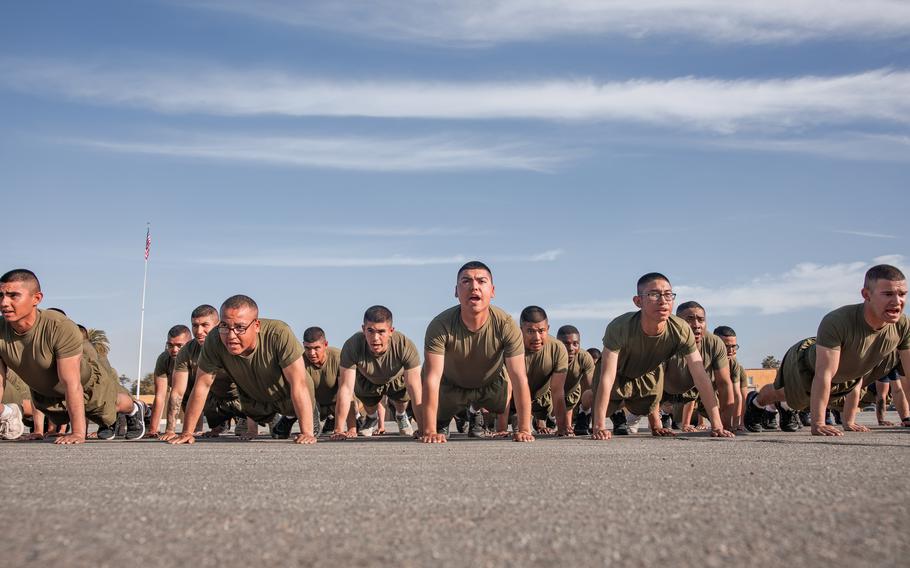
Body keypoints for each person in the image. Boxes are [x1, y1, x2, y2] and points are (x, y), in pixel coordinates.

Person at [746, 264, 910, 435]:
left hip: (843, 378)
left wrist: (849, 421)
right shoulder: (838, 321)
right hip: (806, 367)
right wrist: (818, 423)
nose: (897, 301)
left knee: (800, 400)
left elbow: (900, 376)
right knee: (781, 394)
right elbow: (824, 373)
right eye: (888, 294)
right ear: (866, 295)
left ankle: (785, 407)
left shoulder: (903, 326)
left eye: (902, 294)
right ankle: (755, 402)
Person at [0, 269, 145, 443]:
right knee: (64, 415)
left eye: (13, 295)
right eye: (1, 295)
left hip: (85, 386)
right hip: (47, 394)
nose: (4, 303)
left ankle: (136, 408)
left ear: (36, 299)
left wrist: (78, 432)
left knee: (113, 406)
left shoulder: (59, 326)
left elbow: (71, 382)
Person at [591, 272, 734, 439]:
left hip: (646, 376)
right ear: (638, 302)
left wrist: (717, 425)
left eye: (668, 295)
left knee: (644, 405)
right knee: (602, 410)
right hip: (617, 375)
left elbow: (700, 375)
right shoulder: (619, 327)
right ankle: (608, 409)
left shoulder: (680, 329)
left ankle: (654, 423)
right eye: (654, 294)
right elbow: (607, 376)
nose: (663, 301)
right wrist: (599, 425)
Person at [168, 295, 315, 445]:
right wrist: (187, 432)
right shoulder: (214, 339)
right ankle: (277, 418)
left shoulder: (278, 334)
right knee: (244, 406)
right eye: (224, 326)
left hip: (289, 394)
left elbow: (298, 383)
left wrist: (307, 432)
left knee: (299, 408)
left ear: (256, 325)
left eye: (240, 327)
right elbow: (202, 385)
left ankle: (296, 416)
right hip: (255, 397)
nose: (231, 336)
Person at [421, 261, 534, 443]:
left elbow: (519, 376)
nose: (474, 287)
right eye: (466, 281)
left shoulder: (505, 324)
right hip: (451, 385)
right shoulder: (440, 325)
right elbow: (432, 378)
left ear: (493, 291)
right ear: (456, 291)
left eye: (481, 281)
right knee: (429, 380)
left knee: (507, 387)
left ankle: (475, 411)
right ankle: (442, 420)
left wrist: (524, 429)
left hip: (489, 385)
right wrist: (429, 430)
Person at [331, 305, 422, 440]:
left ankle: (401, 415)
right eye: (370, 331)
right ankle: (371, 418)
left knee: (403, 395)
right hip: (368, 380)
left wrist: (425, 428)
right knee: (369, 404)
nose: (375, 338)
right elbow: (345, 388)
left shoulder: (404, 345)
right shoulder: (352, 345)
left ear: (391, 331)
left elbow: (415, 388)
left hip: (396, 379)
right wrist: (338, 429)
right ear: (363, 329)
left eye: (381, 332)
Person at [160, 305, 245, 440]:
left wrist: (253, 428)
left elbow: (252, 381)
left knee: (272, 432)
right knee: (198, 390)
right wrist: (171, 430)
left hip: (242, 397)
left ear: (218, 325)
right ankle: (219, 422)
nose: (199, 331)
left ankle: (246, 418)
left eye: (205, 325)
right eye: (195, 325)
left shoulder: (232, 343)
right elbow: (177, 392)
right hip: (216, 399)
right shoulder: (187, 351)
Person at [656, 301, 735, 432]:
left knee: (716, 408)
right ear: (677, 323)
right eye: (690, 319)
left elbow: (724, 384)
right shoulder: (663, 340)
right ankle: (628, 416)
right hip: (664, 391)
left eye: (701, 320)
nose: (697, 325)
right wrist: (655, 426)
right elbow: (654, 384)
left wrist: (723, 426)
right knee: (634, 399)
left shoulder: (715, 344)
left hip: (694, 394)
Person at [300, 327, 345, 437]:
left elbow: (347, 392)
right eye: (307, 348)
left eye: (316, 348)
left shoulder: (339, 357)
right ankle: (288, 419)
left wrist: (350, 429)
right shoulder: (300, 361)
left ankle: (333, 419)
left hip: (338, 404)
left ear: (325, 344)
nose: (312, 353)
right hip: (316, 406)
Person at [552, 325, 595, 437]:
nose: (571, 348)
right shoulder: (549, 355)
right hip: (549, 397)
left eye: (575, 344)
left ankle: (579, 417)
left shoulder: (584, 357)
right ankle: (545, 420)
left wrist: (597, 426)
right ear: (557, 343)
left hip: (572, 396)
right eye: (566, 344)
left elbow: (591, 390)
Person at [148, 325, 191, 438]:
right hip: (179, 391)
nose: (174, 350)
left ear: (190, 344)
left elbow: (199, 393)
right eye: (170, 345)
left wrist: (194, 431)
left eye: (179, 346)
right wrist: (153, 430)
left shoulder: (198, 355)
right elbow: (160, 396)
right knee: (173, 396)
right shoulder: (163, 359)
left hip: (198, 393)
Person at [713, 326, 748, 431]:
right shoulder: (704, 360)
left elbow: (737, 396)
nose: (731, 350)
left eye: (734, 346)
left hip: (720, 407)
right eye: (726, 346)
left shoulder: (733, 363)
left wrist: (735, 424)